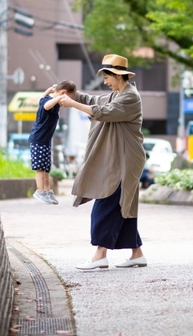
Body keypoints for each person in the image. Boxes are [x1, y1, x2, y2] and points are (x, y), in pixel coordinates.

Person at [59, 54, 147, 270]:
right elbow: (92, 101)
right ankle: (137, 253)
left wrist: (71, 103)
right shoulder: (116, 95)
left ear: (118, 75)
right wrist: (73, 95)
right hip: (118, 158)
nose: (105, 81)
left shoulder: (129, 98)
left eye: (107, 76)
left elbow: (102, 113)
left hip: (124, 160)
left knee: (105, 203)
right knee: (121, 207)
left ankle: (100, 256)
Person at [29, 80, 77, 205]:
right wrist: (58, 96)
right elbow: (45, 105)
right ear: (63, 93)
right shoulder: (48, 102)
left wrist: (49, 90)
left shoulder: (51, 101)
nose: (67, 102)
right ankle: (40, 191)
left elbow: (42, 97)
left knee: (46, 168)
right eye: (68, 98)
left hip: (45, 141)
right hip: (38, 140)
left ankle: (47, 191)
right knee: (40, 168)